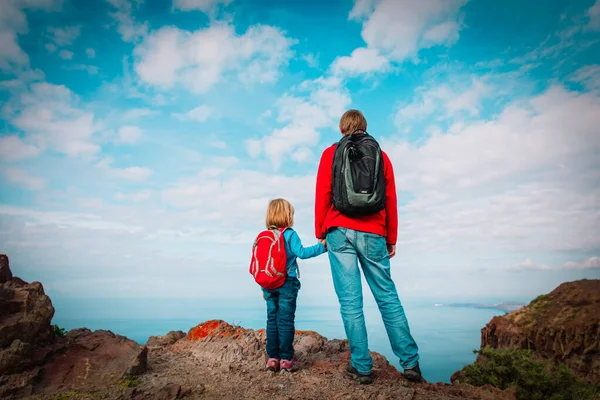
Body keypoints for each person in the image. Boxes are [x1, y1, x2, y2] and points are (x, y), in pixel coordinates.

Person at [314, 109, 422, 384]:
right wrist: (391, 238)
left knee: (351, 302)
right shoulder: (382, 156)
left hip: (339, 231)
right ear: (364, 127)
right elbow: (390, 199)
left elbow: (323, 192)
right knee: (387, 296)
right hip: (374, 232)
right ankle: (410, 363)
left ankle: (362, 367)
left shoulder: (331, 153)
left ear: (342, 129)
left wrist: (321, 231)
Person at [262, 198, 327, 373]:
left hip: (268, 284)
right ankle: (286, 359)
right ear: (288, 215)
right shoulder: (290, 234)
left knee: (271, 320)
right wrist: (323, 246)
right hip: (286, 282)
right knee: (285, 321)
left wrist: (264, 286)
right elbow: (303, 253)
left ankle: (272, 359)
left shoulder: (265, 236)